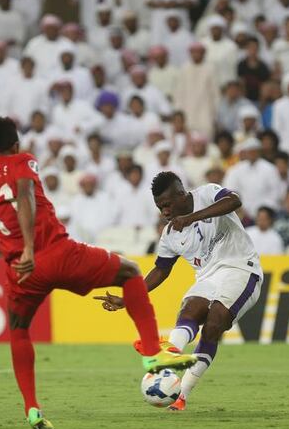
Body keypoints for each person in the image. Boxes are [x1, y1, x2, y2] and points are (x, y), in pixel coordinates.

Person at [0, 117, 196, 429]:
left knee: (19, 330)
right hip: (57, 254)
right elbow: (25, 194)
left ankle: (32, 410)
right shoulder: (22, 161)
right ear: (14, 146)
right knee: (130, 272)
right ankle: (151, 354)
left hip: (21, 273)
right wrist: (29, 245)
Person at [96, 171, 262, 412]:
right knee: (190, 309)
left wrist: (192, 217)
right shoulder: (170, 234)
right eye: (159, 207)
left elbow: (235, 201)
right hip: (208, 277)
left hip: (241, 268)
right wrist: (127, 298)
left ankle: (182, 393)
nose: (164, 211)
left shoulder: (207, 193)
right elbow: (161, 270)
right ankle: (170, 355)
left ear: (181, 195)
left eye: (167, 204)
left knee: (214, 323)